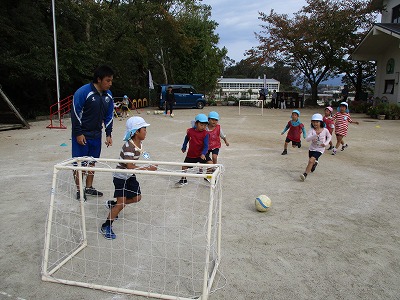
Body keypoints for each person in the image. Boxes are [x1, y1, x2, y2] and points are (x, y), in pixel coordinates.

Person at [100, 116, 157, 240]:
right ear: (136, 131)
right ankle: (106, 225)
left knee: (137, 197)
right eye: (144, 129)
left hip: (129, 176)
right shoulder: (128, 147)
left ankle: (113, 204)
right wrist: (148, 168)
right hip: (121, 177)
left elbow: (143, 152)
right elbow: (130, 166)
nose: (146, 132)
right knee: (122, 203)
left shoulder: (139, 143)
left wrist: (151, 161)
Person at [71, 65, 114, 201]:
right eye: (107, 80)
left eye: (111, 80)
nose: (110, 83)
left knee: (92, 163)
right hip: (83, 134)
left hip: (97, 134)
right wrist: (78, 133)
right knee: (80, 164)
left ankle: (89, 187)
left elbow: (109, 115)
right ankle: (80, 190)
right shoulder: (83, 92)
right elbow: (75, 113)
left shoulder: (108, 95)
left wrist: (108, 134)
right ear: (99, 79)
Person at [176, 113, 212, 187]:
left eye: (205, 125)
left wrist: (203, 154)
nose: (203, 127)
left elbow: (206, 146)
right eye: (201, 125)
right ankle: (183, 179)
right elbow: (186, 139)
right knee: (184, 167)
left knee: (211, 164)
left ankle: (208, 177)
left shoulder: (206, 134)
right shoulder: (190, 131)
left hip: (201, 154)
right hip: (191, 154)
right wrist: (184, 147)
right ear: (196, 123)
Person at [300, 113, 332, 181]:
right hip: (312, 148)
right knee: (311, 162)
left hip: (320, 149)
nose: (315, 123)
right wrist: (315, 135)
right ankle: (315, 163)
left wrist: (325, 143)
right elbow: (307, 139)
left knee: (311, 160)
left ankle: (305, 174)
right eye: (313, 122)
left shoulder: (325, 130)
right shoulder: (312, 130)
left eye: (317, 122)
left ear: (321, 122)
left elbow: (329, 137)